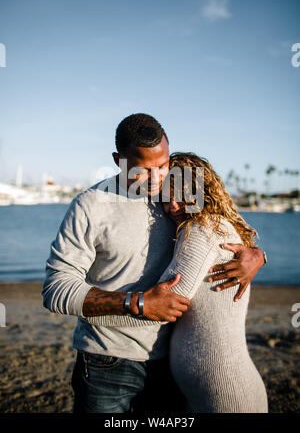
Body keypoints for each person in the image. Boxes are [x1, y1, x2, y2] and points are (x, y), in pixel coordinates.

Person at [42, 113, 267, 413]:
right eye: (144, 171)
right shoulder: (91, 205)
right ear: (118, 160)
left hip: (167, 365)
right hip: (106, 362)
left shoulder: (177, 196)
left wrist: (258, 255)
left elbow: (223, 227)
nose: (157, 179)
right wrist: (138, 303)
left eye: (162, 166)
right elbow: (56, 289)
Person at [97, 152, 268, 413]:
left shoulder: (201, 228)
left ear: (202, 193)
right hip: (212, 392)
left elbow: (167, 304)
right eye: (167, 197)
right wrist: (259, 255)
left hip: (226, 393)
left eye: (183, 195)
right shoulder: (211, 225)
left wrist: (94, 310)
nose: (173, 206)